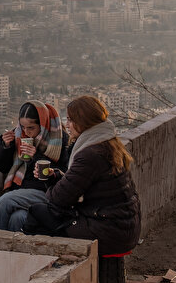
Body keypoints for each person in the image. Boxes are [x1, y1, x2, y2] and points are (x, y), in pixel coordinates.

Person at [22, 95, 141, 255]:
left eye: (71, 120)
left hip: (106, 229)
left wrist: (51, 185)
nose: (67, 125)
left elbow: (59, 199)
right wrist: (55, 177)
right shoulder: (108, 143)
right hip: (121, 225)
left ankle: (48, 266)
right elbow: (79, 183)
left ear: (84, 122)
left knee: (36, 213)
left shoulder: (90, 154)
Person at [0, 100, 71, 231]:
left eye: (31, 128)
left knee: (4, 201)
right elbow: (2, 166)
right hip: (22, 192)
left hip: (45, 192)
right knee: (18, 218)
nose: (26, 132)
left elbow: (65, 174)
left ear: (43, 125)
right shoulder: (18, 135)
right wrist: (5, 146)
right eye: (22, 127)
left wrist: (36, 157)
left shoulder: (59, 140)